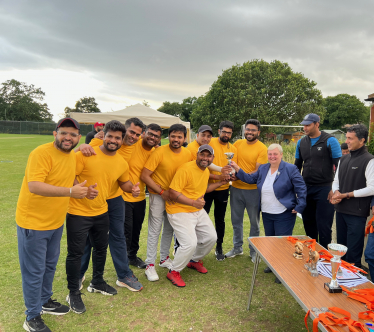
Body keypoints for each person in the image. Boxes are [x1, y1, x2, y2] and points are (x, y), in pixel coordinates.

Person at [16, 117, 88, 332]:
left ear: (78, 138)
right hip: (34, 223)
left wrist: (82, 190)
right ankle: (31, 317)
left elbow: (69, 177)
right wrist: (70, 192)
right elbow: (35, 186)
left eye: (73, 134)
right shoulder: (41, 153)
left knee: (48, 266)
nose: (68, 137)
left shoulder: (72, 156)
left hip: (55, 223)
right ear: (55, 133)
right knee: (34, 271)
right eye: (64, 132)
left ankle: (45, 301)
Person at [66, 120, 140, 314]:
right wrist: (80, 189)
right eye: (110, 136)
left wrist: (132, 188)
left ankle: (97, 281)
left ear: (122, 140)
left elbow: (123, 183)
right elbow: (68, 172)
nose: (113, 140)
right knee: (76, 253)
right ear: (102, 135)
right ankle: (73, 292)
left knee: (101, 248)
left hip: (101, 211)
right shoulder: (87, 153)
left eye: (117, 138)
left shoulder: (121, 162)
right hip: (78, 212)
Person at [231, 144, 307, 282]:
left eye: (275, 154)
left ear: (281, 154)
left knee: (282, 243)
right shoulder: (263, 168)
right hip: (267, 212)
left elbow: (301, 188)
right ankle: (273, 266)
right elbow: (250, 179)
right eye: (270, 154)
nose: (272, 156)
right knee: (271, 241)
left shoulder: (290, 169)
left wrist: (300, 205)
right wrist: (237, 169)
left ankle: (282, 271)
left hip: (283, 212)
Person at [166, 145, 229, 287]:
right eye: (202, 155)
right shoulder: (185, 169)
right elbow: (173, 193)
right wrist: (193, 203)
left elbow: (204, 189)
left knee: (211, 237)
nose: (205, 158)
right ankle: (174, 271)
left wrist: (220, 182)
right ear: (197, 155)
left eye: (208, 156)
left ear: (212, 158)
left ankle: (193, 260)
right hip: (179, 209)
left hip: (195, 208)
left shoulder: (205, 170)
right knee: (190, 243)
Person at [140, 124, 193, 282]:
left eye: (179, 137)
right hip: (158, 196)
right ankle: (150, 264)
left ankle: (164, 259)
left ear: (184, 138)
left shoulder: (188, 153)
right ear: (168, 137)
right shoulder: (159, 152)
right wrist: (162, 192)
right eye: (173, 136)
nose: (176, 139)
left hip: (175, 199)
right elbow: (145, 175)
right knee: (155, 230)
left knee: (170, 230)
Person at [295, 113, 342, 249]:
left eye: (308, 125)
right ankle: (313, 253)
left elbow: (339, 167)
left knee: (324, 226)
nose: (305, 128)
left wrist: (334, 188)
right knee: (308, 223)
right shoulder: (301, 142)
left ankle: (325, 257)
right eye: (304, 125)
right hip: (306, 188)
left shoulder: (330, 140)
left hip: (325, 188)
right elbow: (297, 167)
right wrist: (296, 188)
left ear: (317, 124)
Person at [331, 124, 374, 268]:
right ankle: (341, 281)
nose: (347, 141)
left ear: (362, 140)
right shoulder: (343, 159)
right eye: (346, 138)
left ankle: (355, 286)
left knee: (353, 255)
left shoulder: (370, 160)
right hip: (341, 211)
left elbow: (372, 188)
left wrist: (346, 195)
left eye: (350, 138)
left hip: (357, 214)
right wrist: (336, 192)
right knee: (341, 251)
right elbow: (336, 181)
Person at [226, 119, 268, 262]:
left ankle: (253, 251)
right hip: (236, 189)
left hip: (253, 191)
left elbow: (257, 172)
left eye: (253, 130)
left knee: (254, 223)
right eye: (248, 129)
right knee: (236, 221)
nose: (249, 132)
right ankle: (237, 247)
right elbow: (233, 165)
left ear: (258, 132)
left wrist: (239, 176)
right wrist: (232, 175)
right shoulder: (237, 144)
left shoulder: (262, 148)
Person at [125, 123, 162, 269]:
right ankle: (123, 264)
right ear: (144, 133)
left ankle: (132, 257)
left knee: (136, 229)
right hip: (124, 195)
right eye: (150, 134)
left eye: (156, 136)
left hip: (140, 197)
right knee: (126, 231)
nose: (153, 138)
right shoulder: (132, 144)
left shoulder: (156, 151)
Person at [204, 120, 237, 261]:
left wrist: (234, 174)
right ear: (219, 131)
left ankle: (219, 247)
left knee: (220, 219)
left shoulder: (233, 149)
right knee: (201, 217)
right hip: (206, 187)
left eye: (229, 133)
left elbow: (234, 166)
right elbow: (205, 163)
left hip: (223, 188)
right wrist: (220, 173)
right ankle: (198, 247)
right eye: (224, 131)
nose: (226, 134)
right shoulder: (209, 143)